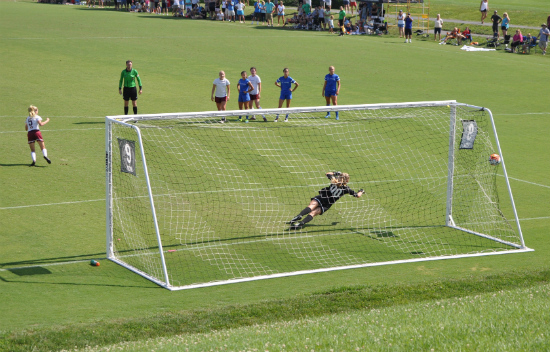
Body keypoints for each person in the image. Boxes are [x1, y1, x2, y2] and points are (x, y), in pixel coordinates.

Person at [288, 172, 364, 229]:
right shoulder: (346, 189)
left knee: (310, 207)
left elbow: (327, 173)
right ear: (347, 181)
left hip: (322, 197)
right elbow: (357, 195)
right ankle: (301, 224)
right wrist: (361, 191)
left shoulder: (334, 180)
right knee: (313, 213)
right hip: (327, 204)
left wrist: (336, 173)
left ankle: (299, 215)